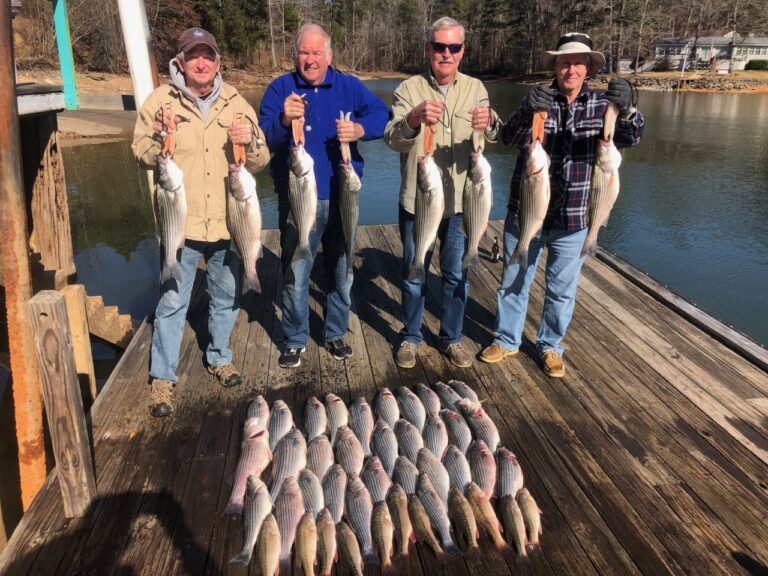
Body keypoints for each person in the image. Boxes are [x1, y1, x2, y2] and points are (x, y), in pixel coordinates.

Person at [479, 32, 645, 377]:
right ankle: (507, 340)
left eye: (577, 63)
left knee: (561, 289)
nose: (570, 69)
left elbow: (632, 137)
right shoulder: (538, 100)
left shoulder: (604, 106)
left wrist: (629, 108)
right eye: (564, 62)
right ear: (556, 66)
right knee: (513, 279)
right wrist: (526, 110)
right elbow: (509, 138)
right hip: (526, 211)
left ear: (588, 69)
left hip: (575, 217)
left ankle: (550, 346)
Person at [133, 27, 270, 416]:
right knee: (173, 302)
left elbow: (260, 161)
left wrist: (253, 140)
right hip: (182, 226)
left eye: (208, 55)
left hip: (228, 225)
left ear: (217, 62)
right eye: (193, 55)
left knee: (226, 298)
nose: (201, 62)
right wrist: (159, 137)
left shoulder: (237, 103)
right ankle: (163, 379)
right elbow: (139, 153)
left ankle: (219, 355)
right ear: (180, 61)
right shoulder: (161, 101)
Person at [258, 23, 389, 369]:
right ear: (296, 55)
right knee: (297, 269)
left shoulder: (347, 86)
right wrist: (284, 120)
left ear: (329, 56)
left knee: (343, 268)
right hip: (300, 199)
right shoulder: (280, 88)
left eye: (317, 53)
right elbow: (263, 139)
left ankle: (334, 334)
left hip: (344, 194)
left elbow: (381, 114)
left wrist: (361, 129)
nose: (310, 59)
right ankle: (295, 337)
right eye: (304, 52)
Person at [384, 16, 501, 369]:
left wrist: (491, 121)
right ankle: (410, 336)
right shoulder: (408, 90)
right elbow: (391, 139)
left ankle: (451, 338)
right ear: (427, 50)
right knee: (414, 271)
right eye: (439, 47)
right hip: (418, 202)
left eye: (453, 47)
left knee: (456, 276)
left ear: (462, 52)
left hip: (463, 206)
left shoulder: (476, 88)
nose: (446, 54)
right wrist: (413, 119)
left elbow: (493, 136)